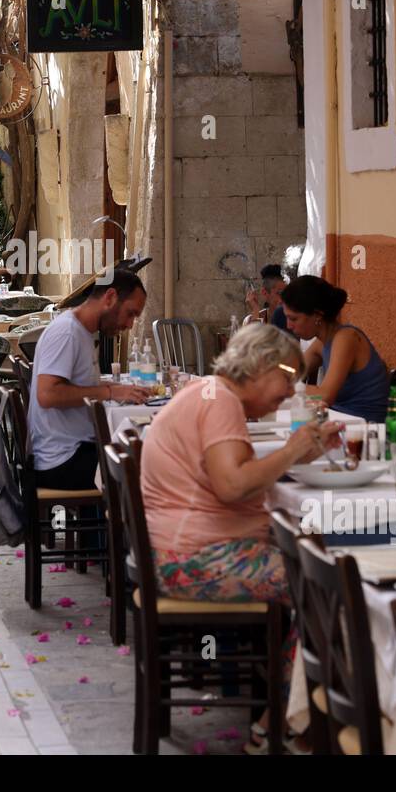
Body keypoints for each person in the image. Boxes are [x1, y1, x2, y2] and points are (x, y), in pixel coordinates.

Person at [140, 323, 343, 754]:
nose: (290, 392)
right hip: (191, 559)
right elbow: (232, 486)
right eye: (287, 379)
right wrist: (291, 451)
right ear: (262, 366)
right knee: (324, 588)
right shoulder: (219, 403)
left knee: (317, 572)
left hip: (188, 550)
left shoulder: (211, 395)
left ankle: (298, 714)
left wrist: (295, 454)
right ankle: (285, 724)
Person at [28, 268, 151, 491]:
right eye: (131, 313)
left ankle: (119, 524)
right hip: (62, 460)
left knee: (144, 457)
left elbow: (78, 386)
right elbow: (47, 394)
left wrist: (117, 387)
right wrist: (110, 393)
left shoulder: (83, 332)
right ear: (110, 297)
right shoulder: (67, 332)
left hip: (73, 450)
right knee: (147, 470)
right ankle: (122, 525)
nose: (130, 325)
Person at [280, 275, 389, 422]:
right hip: (342, 421)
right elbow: (292, 371)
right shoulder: (322, 342)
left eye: (293, 319)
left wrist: (283, 387)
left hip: (366, 430)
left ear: (317, 315)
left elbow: (325, 395)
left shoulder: (346, 338)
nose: (288, 325)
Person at [245, 264, 290, 331]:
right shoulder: (256, 317)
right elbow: (253, 340)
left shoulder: (295, 318)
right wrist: (255, 310)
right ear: (265, 293)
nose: (286, 298)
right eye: (280, 293)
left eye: (289, 293)